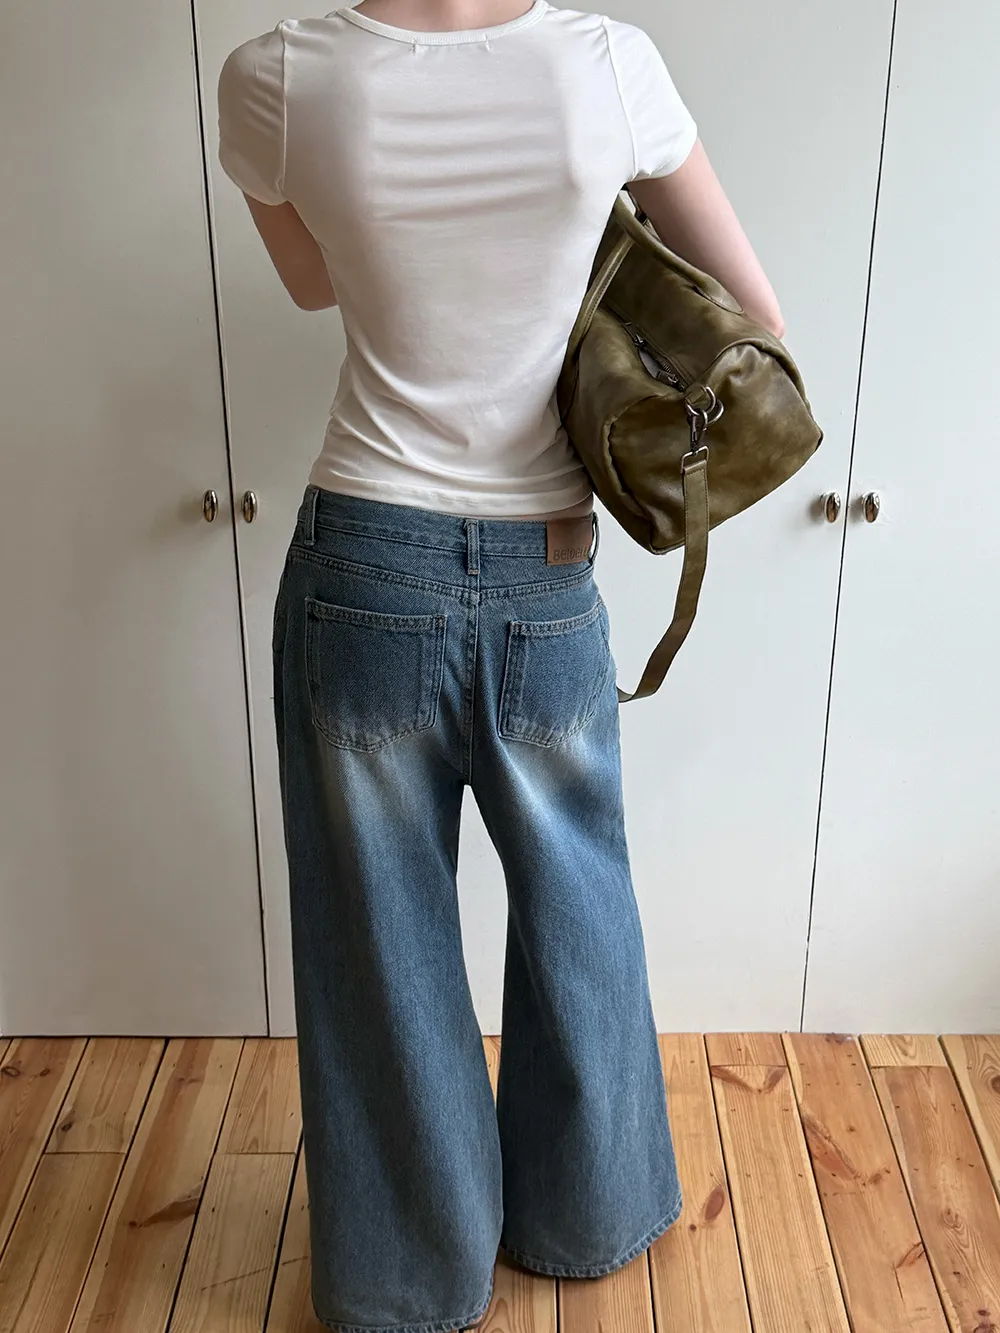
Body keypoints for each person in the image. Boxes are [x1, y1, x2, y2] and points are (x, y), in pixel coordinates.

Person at [217, 3, 783, 1330]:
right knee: (582, 911)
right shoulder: (609, 65)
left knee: (379, 942)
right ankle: (584, 1220)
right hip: (548, 570)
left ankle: (409, 1278)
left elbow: (314, 282)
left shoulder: (276, 75)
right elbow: (756, 324)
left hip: (364, 563)